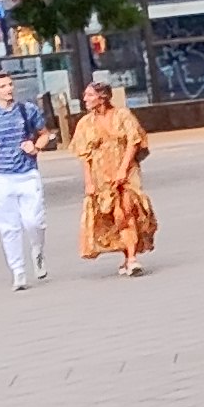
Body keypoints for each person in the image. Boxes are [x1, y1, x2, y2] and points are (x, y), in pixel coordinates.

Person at [62, 77, 156, 275]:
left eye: (89, 95)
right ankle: (126, 254)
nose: (85, 99)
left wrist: (123, 169)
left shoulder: (122, 115)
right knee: (113, 214)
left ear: (102, 97)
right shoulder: (85, 123)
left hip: (126, 171)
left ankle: (132, 258)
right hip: (101, 175)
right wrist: (88, 182)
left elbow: (134, 141)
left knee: (126, 210)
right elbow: (84, 156)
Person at [0, 64, 50, 288]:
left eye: (10, 84)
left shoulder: (27, 110)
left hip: (27, 174)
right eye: (2, 86)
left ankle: (37, 250)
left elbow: (45, 134)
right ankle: (18, 271)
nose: (8, 89)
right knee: (8, 227)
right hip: (1, 178)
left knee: (34, 221)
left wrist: (36, 146)